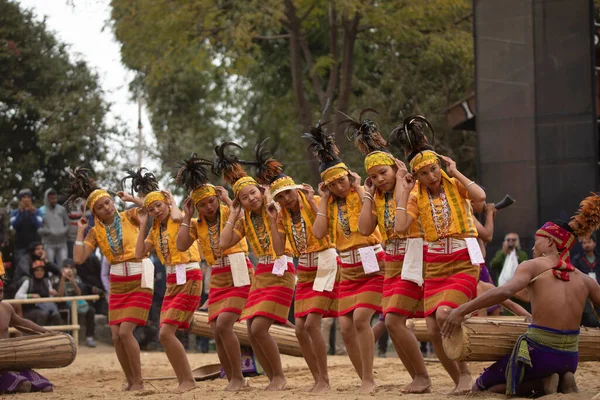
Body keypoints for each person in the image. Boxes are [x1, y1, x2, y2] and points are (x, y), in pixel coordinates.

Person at [442, 193, 600, 396]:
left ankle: (543, 383)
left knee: (480, 387)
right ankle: (560, 377)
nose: (533, 246)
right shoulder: (585, 279)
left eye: (537, 241)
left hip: (540, 354)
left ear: (551, 242)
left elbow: (505, 291)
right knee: (505, 383)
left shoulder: (532, 266)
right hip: (571, 357)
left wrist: (461, 310)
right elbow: (514, 295)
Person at [393, 115, 486, 394]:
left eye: (434, 169)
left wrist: (455, 171)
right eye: (424, 173)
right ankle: (459, 379)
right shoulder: (415, 194)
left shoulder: (454, 183)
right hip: (434, 265)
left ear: (439, 166)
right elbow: (399, 227)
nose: (431, 176)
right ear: (417, 176)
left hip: (462, 262)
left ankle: (467, 373)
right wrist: (404, 188)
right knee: (432, 327)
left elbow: (480, 197)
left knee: (445, 313)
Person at [348, 113, 430, 393]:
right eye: (372, 176)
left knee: (404, 319)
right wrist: (368, 194)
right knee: (393, 321)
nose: (379, 179)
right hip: (392, 262)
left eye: (383, 173)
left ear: (395, 168)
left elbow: (401, 224)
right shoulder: (378, 195)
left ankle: (434, 375)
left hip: (416, 256)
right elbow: (364, 227)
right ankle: (419, 376)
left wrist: (402, 184)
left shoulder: (411, 188)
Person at [307, 118, 385, 394]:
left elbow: (372, 217)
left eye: (342, 180)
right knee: (345, 326)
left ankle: (368, 380)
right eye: (334, 184)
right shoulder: (329, 203)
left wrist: (359, 186)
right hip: (348, 270)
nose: (340, 187)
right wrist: (325, 199)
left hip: (373, 264)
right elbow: (318, 233)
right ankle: (363, 374)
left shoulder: (366, 192)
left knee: (362, 318)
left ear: (349, 176)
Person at [257, 142, 337, 393]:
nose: (285, 200)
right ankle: (317, 379)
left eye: (287, 194)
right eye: (279, 197)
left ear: (295, 189)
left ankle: (324, 379)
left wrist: (315, 204)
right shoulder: (280, 215)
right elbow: (280, 250)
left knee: (312, 323)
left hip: (325, 261)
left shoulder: (313, 200)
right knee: (300, 329)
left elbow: (323, 232)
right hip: (305, 268)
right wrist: (272, 219)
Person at [217, 142, 296, 391]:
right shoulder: (245, 220)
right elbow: (223, 243)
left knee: (260, 327)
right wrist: (232, 213)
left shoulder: (277, 208)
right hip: (262, 272)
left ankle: (279, 377)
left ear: (261, 191)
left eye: (253, 193)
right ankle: (273, 377)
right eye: (244, 197)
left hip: (282, 268)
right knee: (251, 331)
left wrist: (270, 197)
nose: (251, 198)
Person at [69, 167, 153, 391]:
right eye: (100, 206)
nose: (107, 207)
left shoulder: (129, 216)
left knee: (125, 332)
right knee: (116, 336)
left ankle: (140, 382)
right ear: (94, 212)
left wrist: (131, 198)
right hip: (117, 284)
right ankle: (130, 380)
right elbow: (78, 259)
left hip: (139, 277)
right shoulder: (95, 231)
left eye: (108, 202)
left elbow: (151, 208)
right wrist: (80, 231)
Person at [175, 154, 253, 392]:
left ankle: (239, 378)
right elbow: (180, 245)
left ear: (215, 199)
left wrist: (228, 201)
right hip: (217, 277)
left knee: (224, 325)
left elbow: (244, 217)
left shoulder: (229, 211)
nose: (208, 207)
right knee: (215, 330)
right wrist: (187, 216)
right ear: (196, 206)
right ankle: (232, 379)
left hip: (239, 269)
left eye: (210, 202)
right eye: (202, 204)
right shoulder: (197, 224)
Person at [134, 182, 203, 393]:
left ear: (166, 203)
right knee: (164, 334)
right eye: (152, 208)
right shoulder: (155, 228)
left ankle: (188, 381)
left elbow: (175, 217)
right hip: (172, 282)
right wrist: (143, 223)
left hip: (189, 275)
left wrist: (172, 199)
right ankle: (184, 380)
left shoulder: (179, 217)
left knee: (165, 333)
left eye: (159, 206)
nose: (156, 211)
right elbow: (139, 253)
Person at [0, 279, 54, 393]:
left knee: (46, 387)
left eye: (1, 291)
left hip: (8, 359)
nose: (0, 294)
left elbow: (22, 323)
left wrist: (45, 332)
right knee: (24, 385)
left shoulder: (6, 308)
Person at [52, 258, 97, 347]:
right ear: (62, 268)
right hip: (63, 304)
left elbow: (79, 294)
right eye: (66, 267)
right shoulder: (56, 279)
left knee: (91, 310)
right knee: (70, 311)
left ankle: (89, 338)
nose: (69, 269)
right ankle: (70, 338)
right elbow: (59, 295)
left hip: (76, 303)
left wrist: (72, 281)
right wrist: (63, 279)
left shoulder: (77, 279)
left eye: (71, 267)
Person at [15, 261, 62, 326]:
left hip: (47, 307)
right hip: (30, 309)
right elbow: (17, 296)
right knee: (43, 314)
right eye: (37, 270)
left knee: (56, 314)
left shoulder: (47, 282)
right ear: (33, 272)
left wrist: (53, 294)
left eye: (42, 270)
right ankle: (38, 335)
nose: (39, 272)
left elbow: (51, 298)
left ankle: (60, 334)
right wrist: (30, 296)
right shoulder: (28, 282)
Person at [571, 235, 600, 327]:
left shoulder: (599, 258)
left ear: (594, 243)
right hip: (584, 293)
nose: (587, 245)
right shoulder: (577, 259)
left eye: (589, 242)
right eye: (584, 242)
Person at [10, 188, 42, 265]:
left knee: (35, 266)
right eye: (24, 197)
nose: (26, 199)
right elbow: (14, 225)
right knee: (20, 265)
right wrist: (20, 212)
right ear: (20, 200)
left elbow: (38, 225)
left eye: (28, 197)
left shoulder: (37, 211)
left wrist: (32, 212)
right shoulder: (14, 212)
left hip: (34, 245)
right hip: (20, 246)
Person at [38, 188, 69, 266]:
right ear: (47, 199)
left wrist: (63, 231)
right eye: (52, 199)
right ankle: (51, 278)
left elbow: (67, 224)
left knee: (64, 263)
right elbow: (38, 229)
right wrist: (48, 231)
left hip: (62, 242)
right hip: (49, 243)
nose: (54, 200)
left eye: (55, 198)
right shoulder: (41, 211)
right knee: (50, 265)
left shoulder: (62, 209)